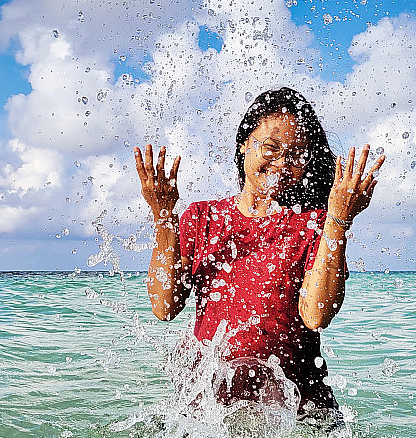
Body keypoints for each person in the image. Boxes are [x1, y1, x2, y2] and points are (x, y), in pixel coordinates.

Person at [134, 87, 384, 415]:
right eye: (271, 147)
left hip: (299, 419)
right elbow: (164, 306)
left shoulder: (315, 224)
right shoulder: (202, 218)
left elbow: (316, 314)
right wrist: (163, 215)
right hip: (210, 416)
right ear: (244, 144)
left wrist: (338, 219)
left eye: (296, 154)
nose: (282, 163)